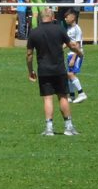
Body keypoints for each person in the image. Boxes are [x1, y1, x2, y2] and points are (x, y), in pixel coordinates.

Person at [26, 7, 83, 136]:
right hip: (59, 69)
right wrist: (79, 53)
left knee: (47, 99)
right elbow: (72, 45)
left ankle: (49, 128)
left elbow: (29, 54)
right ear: (52, 17)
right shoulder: (59, 29)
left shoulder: (34, 33)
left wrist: (30, 71)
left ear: (41, 18)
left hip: (43, 70)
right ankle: (68, 127)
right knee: (63, 96)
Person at [64, 9, 88, 104]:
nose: (65, 19)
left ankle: (82, 94)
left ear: (73, 17)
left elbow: (77, 45)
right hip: (70, 54)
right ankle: (72, 96)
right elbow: (68, 43)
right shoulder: (69, 29)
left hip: (76, 54)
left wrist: (74, 58)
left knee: (70, 74)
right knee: (69, 75)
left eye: (67, 17)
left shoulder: (77, 29)